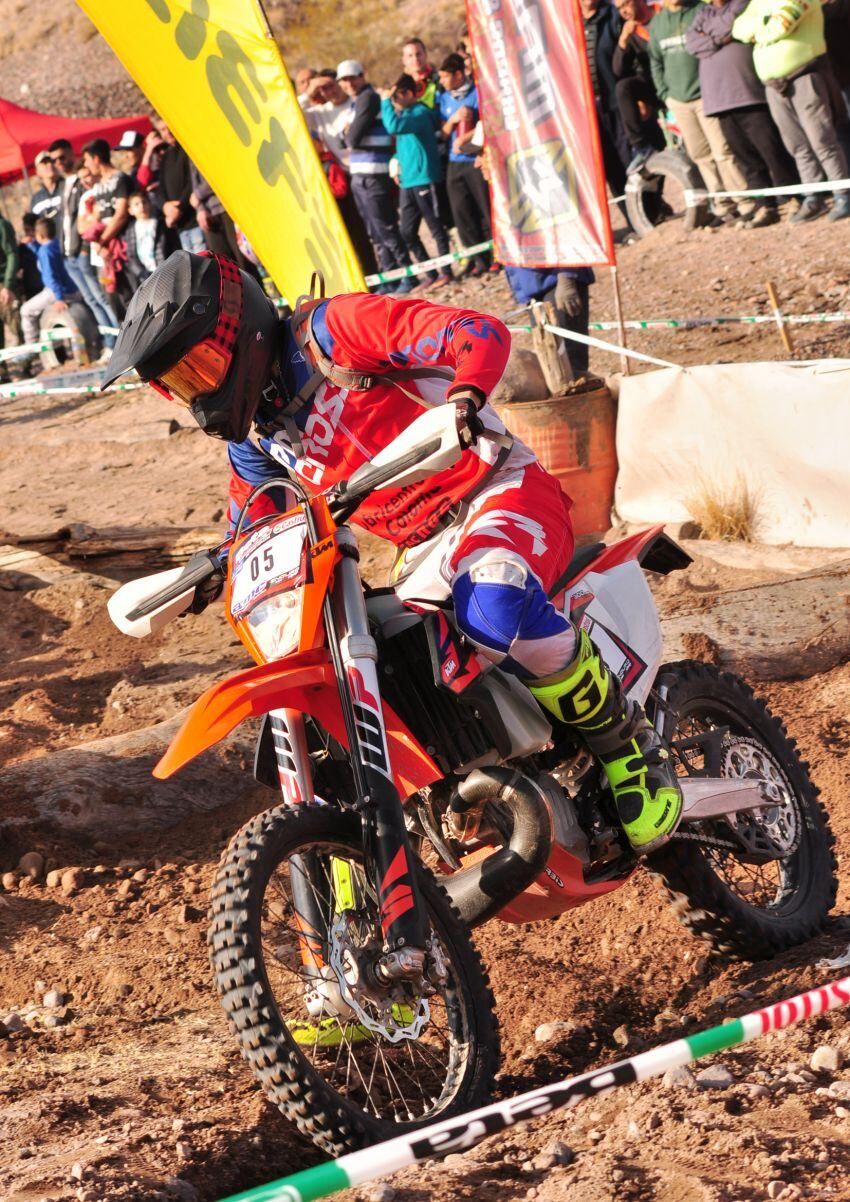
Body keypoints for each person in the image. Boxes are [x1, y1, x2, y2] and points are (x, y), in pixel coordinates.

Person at [101, 250, 684, 857]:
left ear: (239, 325)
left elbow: (476, 331)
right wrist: (210, 572)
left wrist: (464, 397)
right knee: (399, 667)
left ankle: (629, 747)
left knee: (491, 609)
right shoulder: (256, 438)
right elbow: (252, 522)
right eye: (182, 383)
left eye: (201, 367)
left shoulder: (332, 333)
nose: (200, 393)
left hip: (498, 489)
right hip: (422, 548)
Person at [733, 0, 850, 222]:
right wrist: (765, 24)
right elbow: (738, 29)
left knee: (822, 139)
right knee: (797, 145)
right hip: (773, 85)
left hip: (804, 75)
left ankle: (842, 194)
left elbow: (780, 26)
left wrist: (758, 31)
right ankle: (813, 196)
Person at [685, 0, 795, 228]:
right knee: (746, 159)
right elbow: (692, 43)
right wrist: (719, 38)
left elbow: (734, 26)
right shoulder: (702, 13)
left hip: (748, 92)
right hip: (719, 100)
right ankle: (765, 205)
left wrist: (709, 35)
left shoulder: (742, 3)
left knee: (772, 150)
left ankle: (794, 197)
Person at [649, 0, 748, 219]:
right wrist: (665, 94)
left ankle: (744, 200)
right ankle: (722, 205)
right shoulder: (657, 23)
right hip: (679, 101)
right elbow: (655, 61)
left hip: (707, 95)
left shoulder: (699, 10)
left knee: (722, 151)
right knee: (700, 155)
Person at [337, 59, 414, 293]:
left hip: (373, 172)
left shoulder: (367, 98)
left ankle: (407, 274)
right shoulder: (356, 102)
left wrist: (348, 133)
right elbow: (343, 139)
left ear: (362, 76)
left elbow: (350, 139)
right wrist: (347, 134)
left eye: (353, 78)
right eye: (344, 80)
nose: (349, 83)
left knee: (385, 227)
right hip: (361, 173)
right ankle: (390, 276)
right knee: (375, 231)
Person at [380, 74, 452, 287]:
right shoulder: (405, 115)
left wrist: (385, 101)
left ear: (409, 93)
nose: (394, 100)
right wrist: (396, 162)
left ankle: (446, 271)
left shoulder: (420, 113)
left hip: (424, 178)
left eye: (397, 95)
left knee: (435, 227)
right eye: (392, 96)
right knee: (407, 231)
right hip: (407, 181)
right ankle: (429, 272)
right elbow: (405, 144)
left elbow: (393, 127)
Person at [304, 70, 377, 276]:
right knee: (355, 232)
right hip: (343, 178)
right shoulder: (321, 113)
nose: (329, 91)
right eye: (323, 89)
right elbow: (293, 112)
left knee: (375, 226)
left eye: (331, 85)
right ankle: (368, 275)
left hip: (366, 170)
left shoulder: (356, 104)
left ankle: (387, 270)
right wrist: (310, 89)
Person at [438, 53, 492, 276]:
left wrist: (465, 137)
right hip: (455, 163)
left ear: (459, 74)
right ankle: (479, 260)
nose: (442, 81)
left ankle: (495, 256)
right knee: (461, 212)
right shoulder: (443, 98)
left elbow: (488, 122)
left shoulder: (477, 93)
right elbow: (443, 134)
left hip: (475, 160)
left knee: (485, 208)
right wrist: (453, 121)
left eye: (445, 76)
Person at [504, 266, 596, 383]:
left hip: (557, 279)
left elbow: (570, 253)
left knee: (570, 363)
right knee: (549, 358)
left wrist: (567, 277)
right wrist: (521, 290)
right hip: (530, 284)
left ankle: (580, 390)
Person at [581, 0, 632, 196]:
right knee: (610, 165)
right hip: (588, 110)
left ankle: (651, 206)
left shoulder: (612, 15)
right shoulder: (567, 24)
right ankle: (629, 210)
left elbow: (630, 54)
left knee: (631, 159)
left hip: (616, 101)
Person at [80, 138, 133, 317]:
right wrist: (97, 242)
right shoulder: (98, 186)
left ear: (96, 159)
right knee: (114, 298)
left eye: (87, 160)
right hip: (104, 251)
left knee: (132, 294)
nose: (86, 165)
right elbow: (95, 217)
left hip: (124, 247)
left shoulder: (120, 179)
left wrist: (102, 240)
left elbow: (121, 215)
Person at [612, 0, 667, 170]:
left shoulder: (663, 13)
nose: (624, 11)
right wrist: (623, 40)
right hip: (654, 86)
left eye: (626, 4)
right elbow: (618, 71)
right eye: (619, 8)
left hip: (678, 80)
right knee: (623, 87)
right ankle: (641, 148)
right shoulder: (631, 31)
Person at [136, 118, 206, 250]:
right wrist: (165, 206)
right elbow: (161, 187)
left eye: (169, 127)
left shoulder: (187, 150)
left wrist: (179, 208)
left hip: (195, 219)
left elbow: (192, 181)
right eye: (163, 130)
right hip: (180, 225)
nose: (167, 132)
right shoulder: (166, 157)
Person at [19, 216, 81, 349]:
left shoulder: (45, 251)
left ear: (40, 235)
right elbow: (44, 254)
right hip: (71, 288)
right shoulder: (56, 244)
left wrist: (59, 298)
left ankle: (31, 346)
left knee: (25, 310)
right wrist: (31, 245)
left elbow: (51, 276)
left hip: (57, 291)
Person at [125, 191, 178, 288]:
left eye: (144, 202)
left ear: (149, 204)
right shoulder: (130, 230)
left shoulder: (160, 223)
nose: (142, 206)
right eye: (136, 204)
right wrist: (141, 273)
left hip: (165, 271)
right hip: (146, 276)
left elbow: (170, 247)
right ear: (130, 210)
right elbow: (131, 256)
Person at [0, 214, 22, 383]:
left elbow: (12, 254)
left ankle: (24, 367)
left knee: (16, 328)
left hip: (4, 286)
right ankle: (2, 373)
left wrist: (8, 285)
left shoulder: (2, 225)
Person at [401, 37, 442, 108]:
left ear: (425, 55)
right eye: (410, 56)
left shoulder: (439, 80)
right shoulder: (400, 87)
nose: (415, 59)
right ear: (404, 60)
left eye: (418, 54)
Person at [31, 151, 63, 221]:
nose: (49, 165)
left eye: (52, 161)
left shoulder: (68, 187)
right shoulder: (36, 199)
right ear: (37, 171)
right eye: (44, 163)